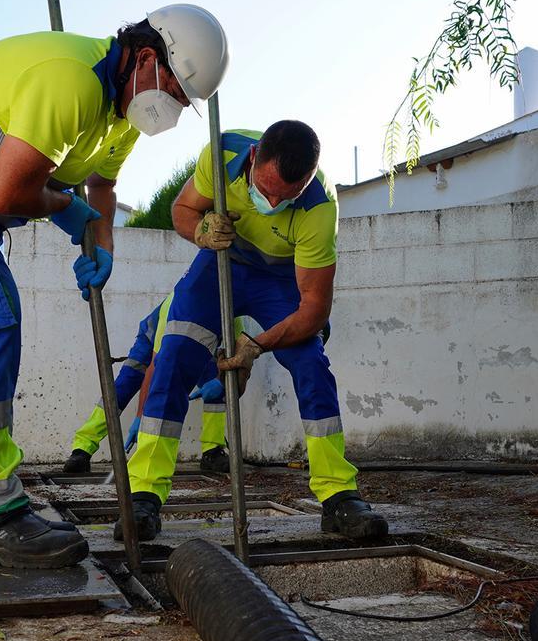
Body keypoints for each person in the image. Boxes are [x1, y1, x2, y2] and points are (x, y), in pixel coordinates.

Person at [0, 5, 229, 567]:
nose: (174, 106)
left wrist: (101, 242)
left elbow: (103, 186)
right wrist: (69, 210)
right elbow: (7, 195)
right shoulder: (71, 80)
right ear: (147, 57)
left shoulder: (121, 114)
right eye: (175, 88)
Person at [116, 121, 387, 542]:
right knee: (174, 358)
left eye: (286, 196)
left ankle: (339, 497)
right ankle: (143, 496)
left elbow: (314, 308)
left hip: (279, 279)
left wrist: (256, 345)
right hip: (219, 262)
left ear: (309, 181)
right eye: (266, 188)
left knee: (311, 363)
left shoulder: (319, 207)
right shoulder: (222, 153)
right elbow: (183, 212)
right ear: (256, 155)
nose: (273, 201)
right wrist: (202, 231)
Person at [62, 294, 235, 474]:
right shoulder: (178, 307)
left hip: (202, 346)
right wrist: (139, 416)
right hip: (156, 338)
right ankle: (82, 449)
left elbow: (240, 358)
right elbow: (153, 368)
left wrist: (219, 381)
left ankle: (212, 452)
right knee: (125, 384)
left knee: (220, 385)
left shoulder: (234, 313)